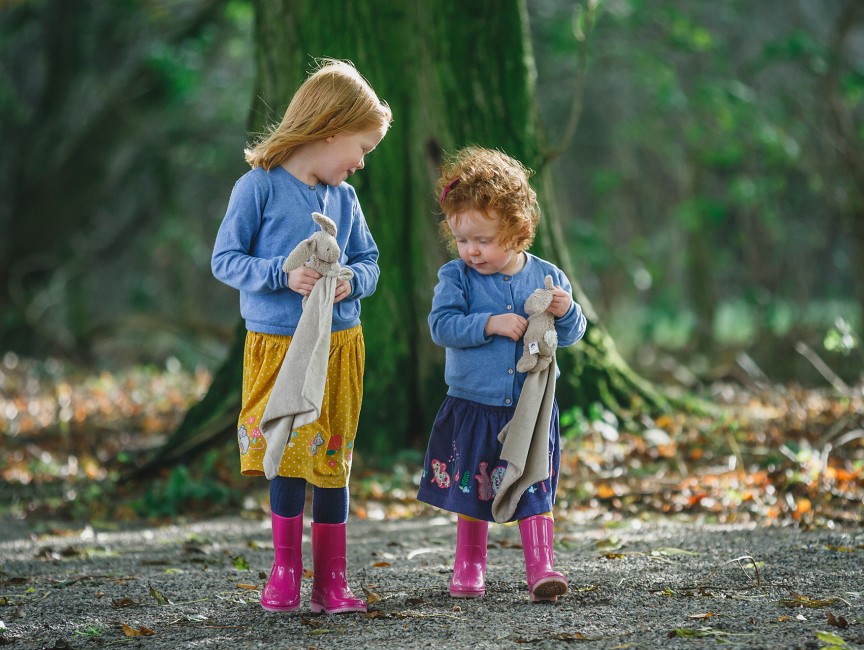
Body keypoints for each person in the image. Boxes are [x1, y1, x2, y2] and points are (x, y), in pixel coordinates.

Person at [211, 59, 391, 614]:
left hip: (338, 347)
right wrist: (280, 275)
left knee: (331, 459)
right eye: (361, 148)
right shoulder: (258, 188)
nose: (362, 163)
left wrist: (351, 282)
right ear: (330, 129)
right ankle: (285, 574)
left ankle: (330, 583)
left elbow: (371, 262)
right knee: (284, 454)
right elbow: (225, 259)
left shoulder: (347, 201)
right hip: (277, 347)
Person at [417, 146, 587, 602]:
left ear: (516, 229)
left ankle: (542, 566)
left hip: (529, 410)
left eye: (483, 240)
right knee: (473, 485)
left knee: (534, 485)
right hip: (475, 404)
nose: (471, 251)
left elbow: (571, 334)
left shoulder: (548, 278)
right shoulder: (457, 277)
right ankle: (469, 566)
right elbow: (441, 326)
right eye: (462, 240)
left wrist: (566, 310)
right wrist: (488, 324)